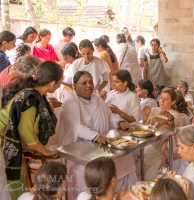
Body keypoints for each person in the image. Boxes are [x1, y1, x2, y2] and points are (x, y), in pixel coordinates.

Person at [57, 71, 137, 199]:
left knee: (125, 158)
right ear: (75, 86)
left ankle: (126, 195)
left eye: (90, 82)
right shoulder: (70, 103)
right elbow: (76, 127)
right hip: (78, 151)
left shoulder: (97, 98)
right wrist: (95, 136)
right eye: (84, 83)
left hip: (101, 145)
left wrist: (120, 121)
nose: (89, 85)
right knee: (91, 169)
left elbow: (109, 115)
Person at [1, 61, 63, 199]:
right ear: (53, 83)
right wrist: (45, 151)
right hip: (3, 144)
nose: (61, 85)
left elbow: (18, 125)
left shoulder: (29, 91)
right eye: (60, 81)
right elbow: (26, 131)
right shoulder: (31, 97)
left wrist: (28, 147)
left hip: (6, 140)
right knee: (13, 181)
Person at [140, 88, 182, 180]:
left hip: (163, 151)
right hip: (150, 146)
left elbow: (171, 124)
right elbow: (146, 126)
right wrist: (146, 115)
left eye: (166, 99)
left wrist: (160, 120)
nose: (162, 101)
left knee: (150, 177)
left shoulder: (175, 115)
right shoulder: (155, 110)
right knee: (140, 171)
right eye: (161, 98)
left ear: (173, 101)